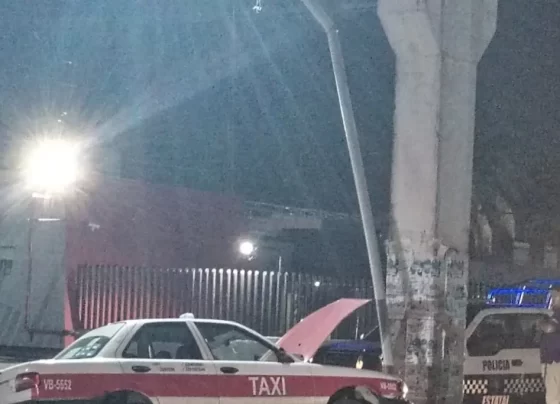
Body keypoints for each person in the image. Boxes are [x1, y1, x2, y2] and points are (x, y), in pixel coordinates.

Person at [539, 288, 560, 404]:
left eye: (555, 297)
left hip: (555, 362)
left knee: (553, 397)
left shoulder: (558, 315)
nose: (552, 300)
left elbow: (550, 328)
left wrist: (540, 323)